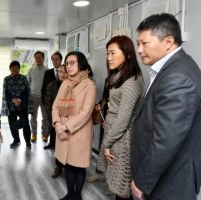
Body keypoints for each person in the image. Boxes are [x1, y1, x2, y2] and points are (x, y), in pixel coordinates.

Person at [131, 13, 201, 200]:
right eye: (138, 44)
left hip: (171, 178)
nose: (139, 50)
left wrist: (142, 181)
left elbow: (166, 140)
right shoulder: (172, 68)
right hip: (164, 174)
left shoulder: (178, 77)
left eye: (144, 43)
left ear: (168, 41)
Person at [98, 35, 143, 200]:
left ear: (128, 54)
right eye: (107, 53)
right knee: (115, 185)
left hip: (122, 139)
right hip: (113, 134)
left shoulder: (132, 82)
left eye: (113, 53)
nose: (109, 58)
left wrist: (107, 142)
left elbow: (123, 120)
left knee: (122, 188)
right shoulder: (118, 75)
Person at [52, 51, 96, 200]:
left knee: (78, 165)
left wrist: (64, 126)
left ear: (81, 64)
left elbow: (85, 113)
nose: (69, 66)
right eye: (67, 63)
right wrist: (57, 123)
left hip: (79, 132)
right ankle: (70, 193)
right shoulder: (65, 83)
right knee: (67, 164)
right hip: (62, 131)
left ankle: (77, 196)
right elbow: (55, 106)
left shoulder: (89, 85)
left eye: (73, 63)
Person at [1, 61, 32, 149]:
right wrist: (13, 99)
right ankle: (16, 140)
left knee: (25, 124)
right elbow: (6, 91)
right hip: (11, 106)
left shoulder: (24, 78)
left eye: (16, 67)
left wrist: (19, 99)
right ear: (10, 69)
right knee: (12, 124)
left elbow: (26, 90)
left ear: (19, 69)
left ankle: (28, 142)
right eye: (13, 67)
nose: (15, 69)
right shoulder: (6, 79)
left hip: (22, 105)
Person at [44, 64, 67, 178]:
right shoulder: (51, 85)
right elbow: (48, 103)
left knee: (67, 145)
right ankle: (58, 167)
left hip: (68, 122)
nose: (62, 74)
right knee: (57, 146)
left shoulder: (72, 86)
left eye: (65, 72)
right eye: (60, 72)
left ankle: (69, 166)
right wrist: (54, 119)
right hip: (55, 119)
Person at [86, 79, 109, 183]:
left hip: (115, 119)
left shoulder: (125, 79)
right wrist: (101, 104)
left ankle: (109, 181)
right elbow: (105, 98)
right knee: (101, 145)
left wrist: (111, 121)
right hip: (105, 116)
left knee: (112, 150)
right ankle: (99, 173)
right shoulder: (108, 79)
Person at [27, 51, 48, 142]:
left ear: (43, 58)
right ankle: (34, 134)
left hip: (44, 97)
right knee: (33, 116)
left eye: (39, 57)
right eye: (36, 58)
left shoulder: (48, 71)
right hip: (33, 96)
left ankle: (44, 133)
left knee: (45, 117)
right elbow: (28, 83)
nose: (38, 59)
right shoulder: (31, 70)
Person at [42, 52, 63, 146]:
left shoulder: (65, 72)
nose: (55, 61)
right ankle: (51, 143)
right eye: (53, 59)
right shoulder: (48, 72)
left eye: (57, 59)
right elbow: (43, 88)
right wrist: (45, 104)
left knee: (60, 124)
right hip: (50, 103)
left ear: (61, 60)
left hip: (62, 105)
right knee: (51, 123)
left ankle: (59, 144)